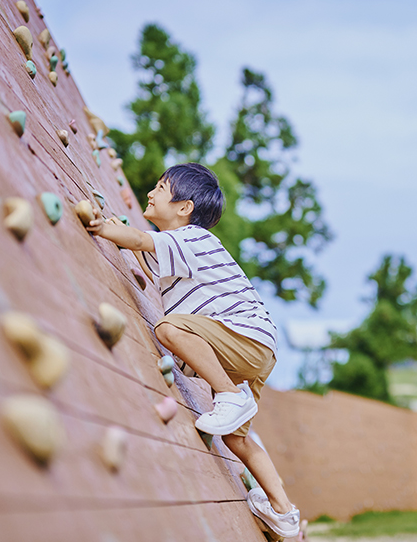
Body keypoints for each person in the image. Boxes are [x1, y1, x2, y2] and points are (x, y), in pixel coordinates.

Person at [87, 162, 300, 538]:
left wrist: (104, 227)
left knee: (169, 328)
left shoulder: (192, 239)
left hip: (244, 337)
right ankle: (283, 512)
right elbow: (143, 252)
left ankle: (230, 395)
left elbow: (138, 240)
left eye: (160, 187)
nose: (150, 194)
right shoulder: (174, 248)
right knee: (236, 438)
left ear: (184, 207)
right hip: (253, 348)